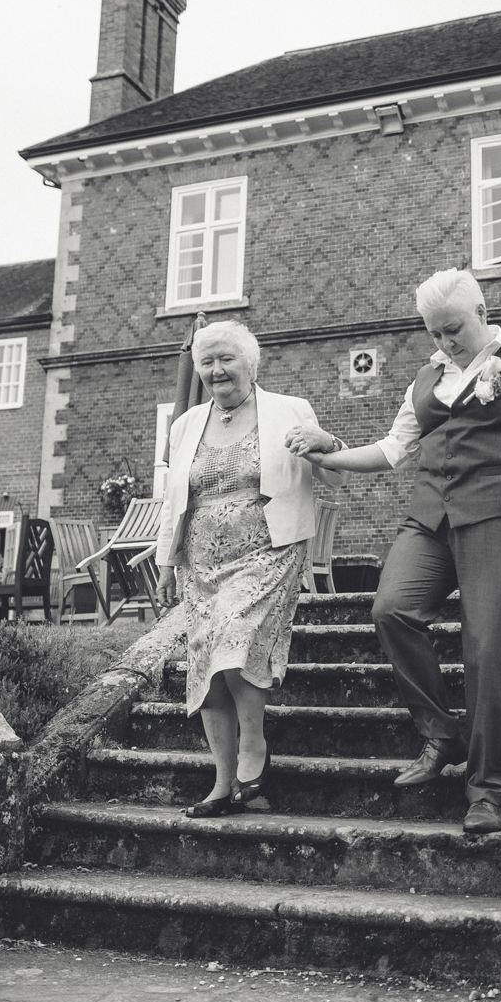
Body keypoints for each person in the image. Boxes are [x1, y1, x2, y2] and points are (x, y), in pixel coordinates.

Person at [290, 269, 501, 836]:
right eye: (436, 334)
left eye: (453, 330)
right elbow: (392, 449)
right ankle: (440, 732)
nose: (446, 343)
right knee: (390, 608)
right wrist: (327, 456)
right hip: (431, 519)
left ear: (480, 310)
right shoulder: (427, 378)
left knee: (487, 647)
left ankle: (487, 787)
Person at [155, 321, 338, 818]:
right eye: (207, 362)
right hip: (201, 560)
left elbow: (331, 475)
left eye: (226, 359)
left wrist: (328, 442)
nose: (216, 370)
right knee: (205, 665)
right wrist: (166, 561)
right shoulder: (185, 423)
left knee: (235, 639)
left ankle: (253, 746)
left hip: (268, 549)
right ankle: (221, 782)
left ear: (250, 364)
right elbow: (174, 498)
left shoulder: (289, 410)